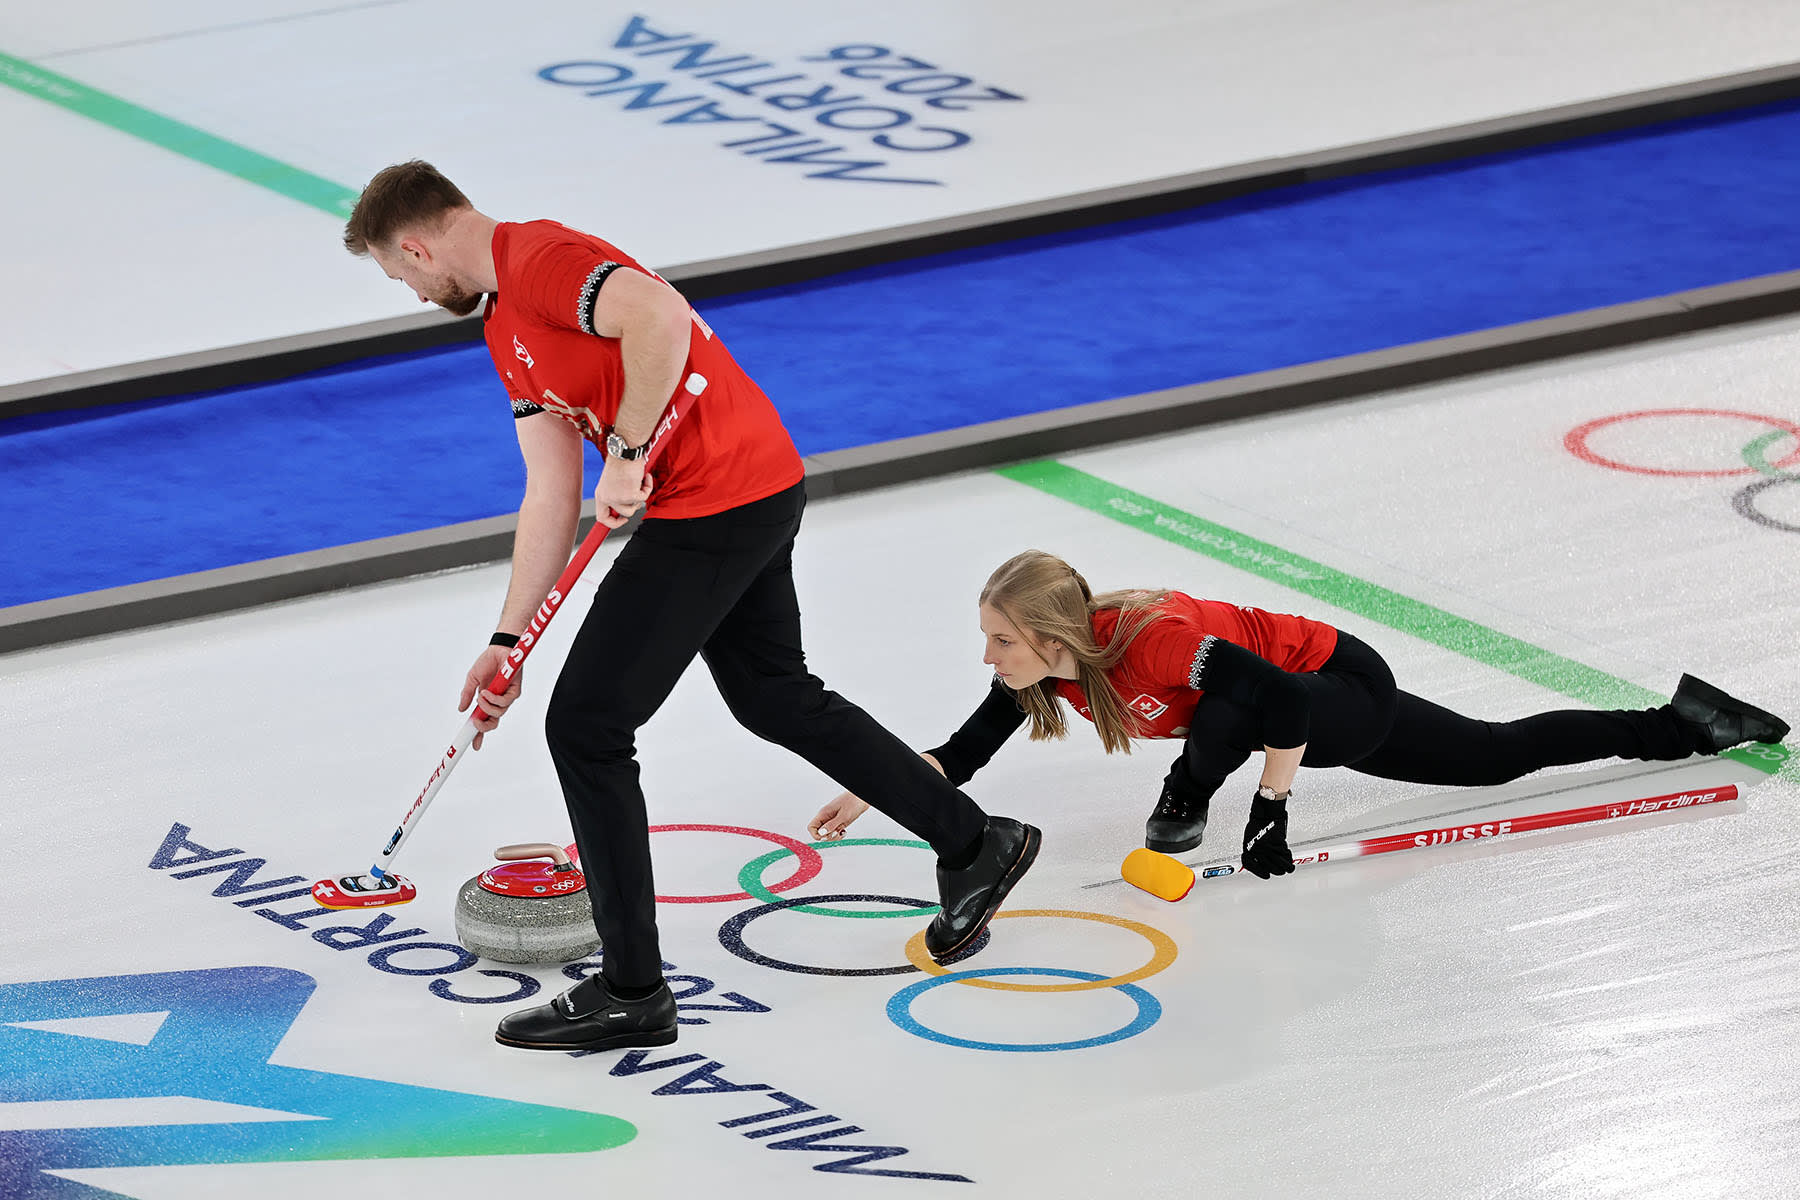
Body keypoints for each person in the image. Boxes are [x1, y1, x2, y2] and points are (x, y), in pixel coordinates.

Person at [341, 161, 1039, 1051]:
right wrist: (507, 637)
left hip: (716, 498)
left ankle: (634, 988)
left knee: (588, 727)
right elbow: (551, 490)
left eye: (398, 274)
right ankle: (974, 841)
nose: (408, 290)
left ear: (416, 244)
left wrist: (628, 450)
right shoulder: (502, 324)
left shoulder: (543, 261)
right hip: (742, 489)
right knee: (772, 694)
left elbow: (660, 316)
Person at [809, 550, 1788, 878]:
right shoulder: (1046, 674)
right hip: (1288, 720)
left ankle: (1182, 798)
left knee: (1230, 703)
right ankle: (1684, 724)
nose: (991, 659)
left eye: (1002, 641)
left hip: (1335, 689)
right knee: (1495, 757)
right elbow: (961, 754)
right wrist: (876, 784)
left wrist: (1268, 809)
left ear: (1055, 633)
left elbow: (1274, 697)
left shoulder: (1157, 636)